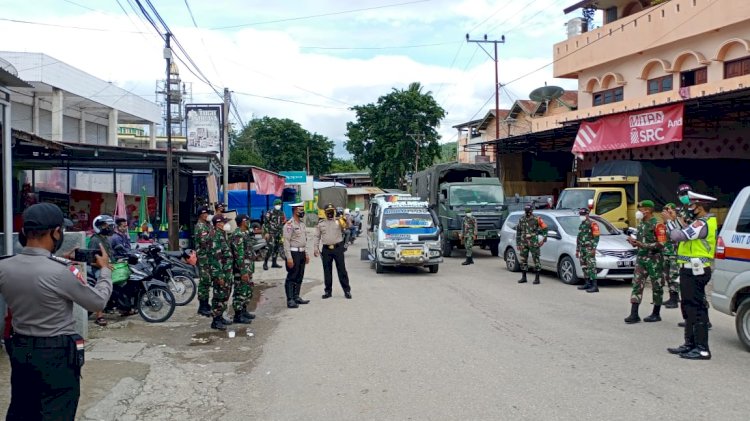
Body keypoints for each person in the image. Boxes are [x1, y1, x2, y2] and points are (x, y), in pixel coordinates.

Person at [0, 202, 113, 420]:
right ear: (56, 232)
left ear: (24, 232)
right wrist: (105, 271)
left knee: (23, 408)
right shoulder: (62, 273)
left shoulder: (5, 266)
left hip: (21, 349)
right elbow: (97, 302)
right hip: (56, 354)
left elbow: (35, 268)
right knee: (57, 410)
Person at [667, 191, 717, 360]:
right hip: (688, 269)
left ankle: (702, 348)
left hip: (697, 270)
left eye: (693, 206)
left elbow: (677, 236)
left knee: (696, 308)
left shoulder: (703, 223)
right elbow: (683, 233)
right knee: (688, 306)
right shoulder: (698, 222)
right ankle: (690, 344)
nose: (690, 209)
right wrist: (675, 221)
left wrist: (670, 222)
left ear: (700, 208)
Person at [624, 200, 667, 324]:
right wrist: (633, 242)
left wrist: (642, 244)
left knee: (657, 286)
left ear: (647, 210)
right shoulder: (641, 224)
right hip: (641, 259)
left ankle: (656, 313)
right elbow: (639, 241)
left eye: (641, 209)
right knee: (637, 284)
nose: (639, 211)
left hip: (655, 260)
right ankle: (634, 314)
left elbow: (661, 244)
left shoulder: (658, 225)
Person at [315, 204, 353, 300]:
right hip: (326, 250)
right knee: (327, 271)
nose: (330, 213)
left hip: (338, 248)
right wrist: (315, 248)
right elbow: (317, 236)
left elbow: (349, 226)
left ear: (334, 211)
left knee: (342, 269)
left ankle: (347, 291)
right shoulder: (321, 223)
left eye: (332, 211)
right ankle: (328, 291)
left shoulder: (339, 221)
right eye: (328, 211)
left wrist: (346, 218)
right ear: (325, 212)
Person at [208, 214, 234, 330]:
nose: (226, 224)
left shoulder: (222, 234)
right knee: (219, 295)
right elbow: (216, 257)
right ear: (218, 223)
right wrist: (219, 275)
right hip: (220, 272)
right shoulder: (215, 236)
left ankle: (220, 316)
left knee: (225, 295)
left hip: (226, 271)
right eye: (224, 222)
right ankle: (216, 320)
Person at [89, 215, 115, 326]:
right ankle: (99, 316)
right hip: (97, 269)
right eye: (105, 225)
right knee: (102, 282)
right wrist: (103, 266)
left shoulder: (105, 239)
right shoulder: (95, 240)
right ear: (99, 226)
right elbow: (89, 260)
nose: (108, 227)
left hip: (107, 266)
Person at [283, 203, 310, 308]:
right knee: (292, 276)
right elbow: (286, 242)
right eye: (300, 209)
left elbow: (304, 240)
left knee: (300, 275)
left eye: (303, 209)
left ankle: (296, 297)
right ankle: (290, 300)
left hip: (301, 252)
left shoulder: (302, 224)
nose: (302, 211)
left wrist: (306, 254)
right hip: (293, 253)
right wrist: (289, 258)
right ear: (294, 210)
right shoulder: (289, 225)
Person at [230, 214, 256, 324]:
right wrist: (243, 271)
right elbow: (239, 255)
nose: (248, 222)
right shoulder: (238, 235)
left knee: (247, 290)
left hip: (247, 267)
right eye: (246, 220)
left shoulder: (245, 233)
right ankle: (238, 315)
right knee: (240, 291)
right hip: (241, 269)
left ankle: (244, 310)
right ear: (242, 222)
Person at [516, 203, 548, 284]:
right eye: (526, 211)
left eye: (529, 211)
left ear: (532, 211)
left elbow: (545, 228)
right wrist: (518, 243)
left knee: (536, 259)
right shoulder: (521, 219)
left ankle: (537, 278)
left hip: (533, 242)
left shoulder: (537, 219)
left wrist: (544, 239)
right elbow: (518, 232)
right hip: (523, 243)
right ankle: (524, 277)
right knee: (523, 260)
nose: (527, 213)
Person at [661, 203, 681, 308]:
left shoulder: (677, 224)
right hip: (666, 253)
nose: (665, 214)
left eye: (669, 212)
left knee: (674, 276)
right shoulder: (664, 225)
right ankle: (672, 296)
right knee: (668, 276)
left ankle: (674, 299)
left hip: (675, 254)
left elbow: (677, 235)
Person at [194, 206, 213, 317]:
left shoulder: (207, 224)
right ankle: (202, 306)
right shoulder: (200, 226)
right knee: (204, 281)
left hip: (208, 257)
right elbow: (205, 241)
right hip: (203, 258)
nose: (207, 215)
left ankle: (206, 304)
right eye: (205, 214)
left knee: (207, 281)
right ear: (201, 215)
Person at [576, 207, 600, 293]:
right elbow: (579, 238)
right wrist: (577, 250)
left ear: (587, 214)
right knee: (584, 266)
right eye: (580, 215)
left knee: (591, 267)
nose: (581, 216)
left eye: (583, 214)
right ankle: (587, 283)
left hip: (589, 248)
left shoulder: (593, 224)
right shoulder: (582, 224)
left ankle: (595, 286)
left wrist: (594, 248)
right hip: (582, 249)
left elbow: (596, 237)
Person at [263, 199, 286, 270]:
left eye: (279, 204)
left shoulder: (282, 213)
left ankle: (274, 263)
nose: (278, 206)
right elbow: (265, 223)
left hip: (279, 234)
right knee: (270, 248)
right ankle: (265, 263)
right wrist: (266, 232)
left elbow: (284, 222)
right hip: (271, 233)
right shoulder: (269, 213)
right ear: (274, 205)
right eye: (277, 204)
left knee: (276, 248)